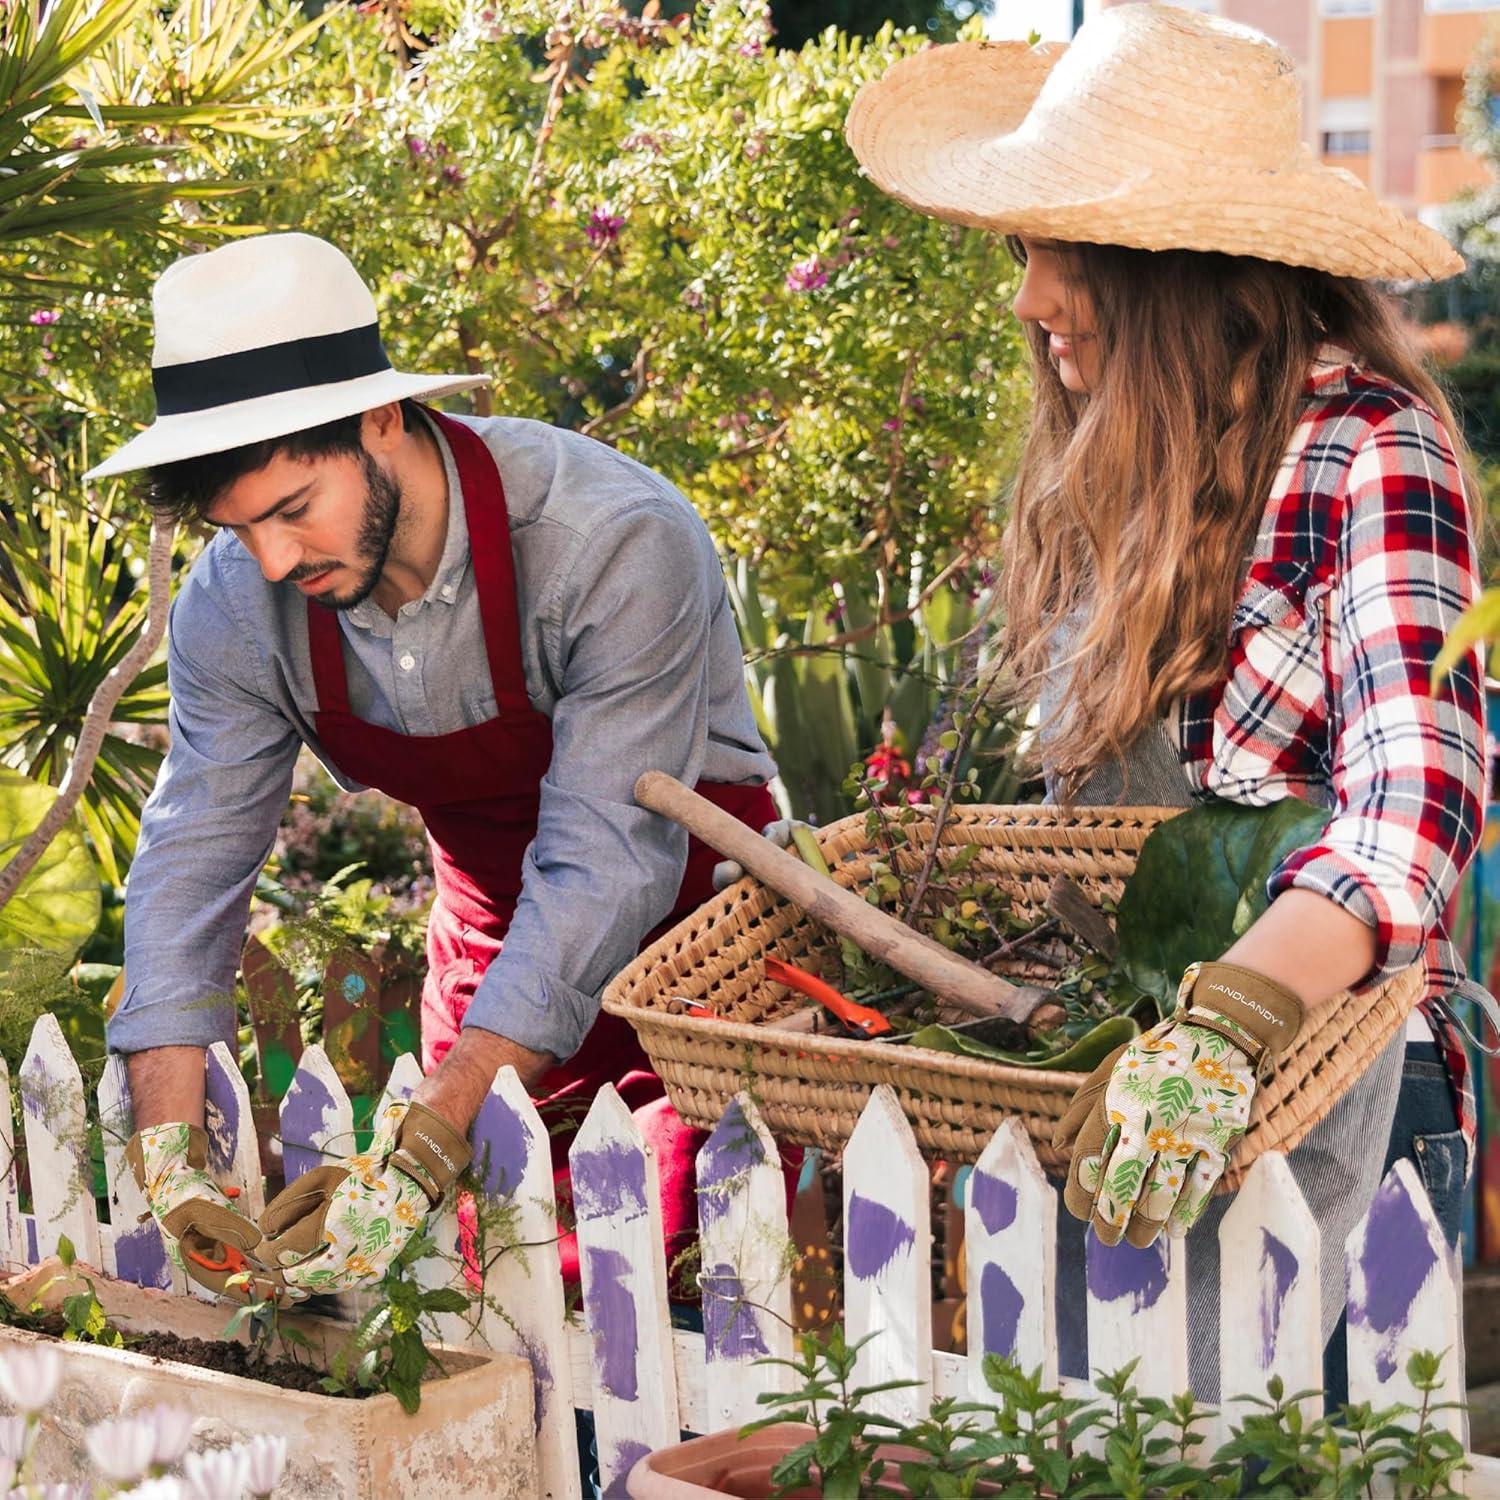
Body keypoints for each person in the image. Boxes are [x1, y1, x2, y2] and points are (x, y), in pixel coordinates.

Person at [847, 2, 1492, 1402]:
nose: (1025, 296)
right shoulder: (1113, 469)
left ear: (1171, 264)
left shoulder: (1366, 446)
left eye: (1054, 250)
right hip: (1135, 1118)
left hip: (1334, 1104)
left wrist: (1232, 1019)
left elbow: (1417, 797)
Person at [89, 232, 779, 1301]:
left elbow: (608, 862)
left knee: (682, 1295)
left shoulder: (612, 542)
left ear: (379, 418)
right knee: (499, 1298)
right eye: (239, 527)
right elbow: (191, 861)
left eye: (290, 510)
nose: (273, 562)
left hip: (690, 952)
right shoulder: (234, 603)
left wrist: (423, 1143)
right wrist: (170, 1154)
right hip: (492, 931)